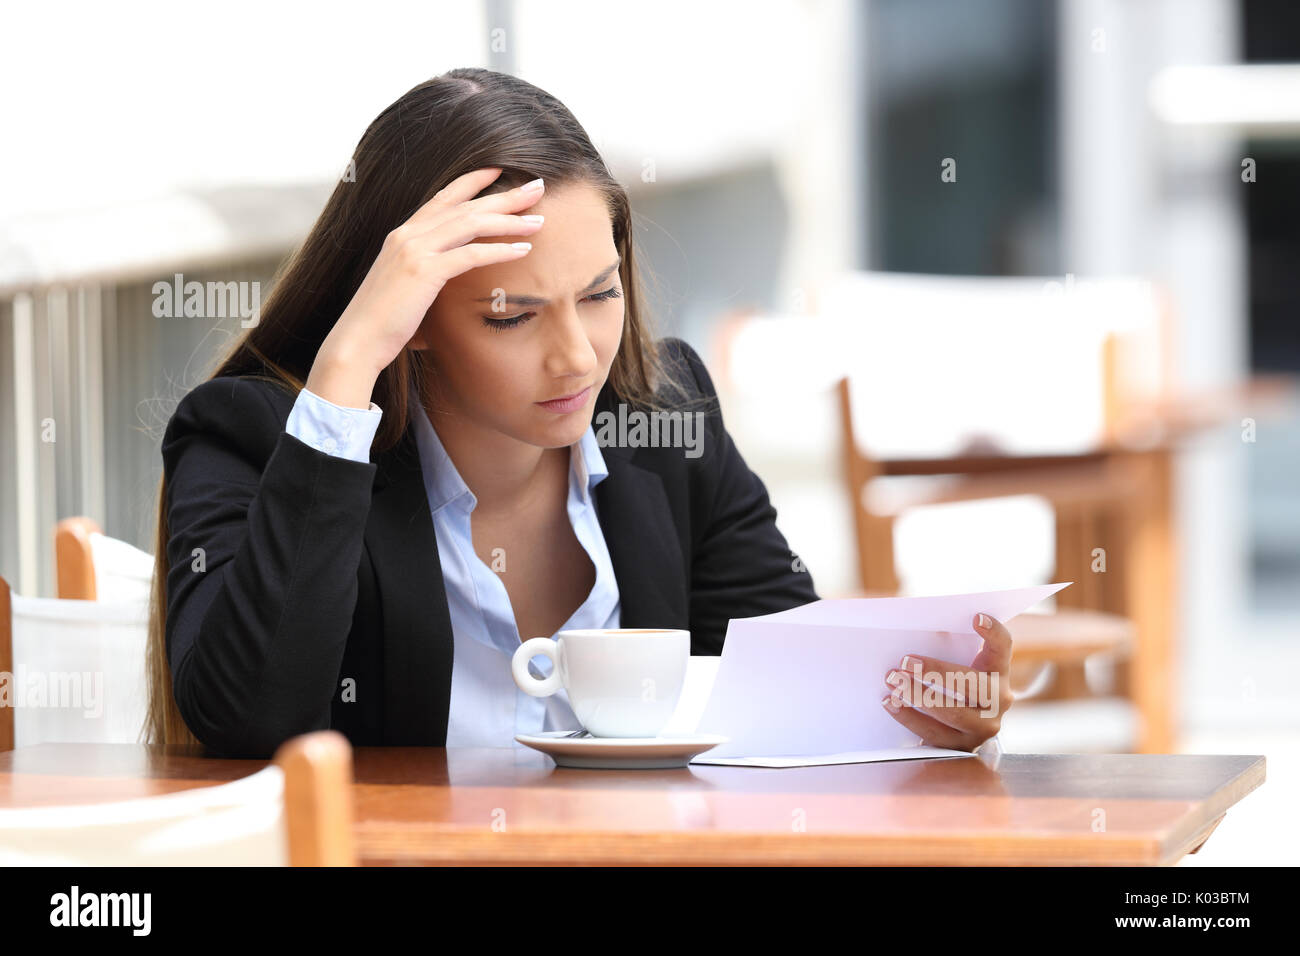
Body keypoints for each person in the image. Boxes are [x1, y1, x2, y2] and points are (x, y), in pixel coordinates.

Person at [144, 67, 1008, 759]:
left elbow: (780, 679)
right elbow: (247, 720)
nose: (578, 356)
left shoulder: (665, 424)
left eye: (599, 295)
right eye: (511, 316)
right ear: (408, 325)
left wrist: (920, 701)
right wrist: (346, 370)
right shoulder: (260, 439)